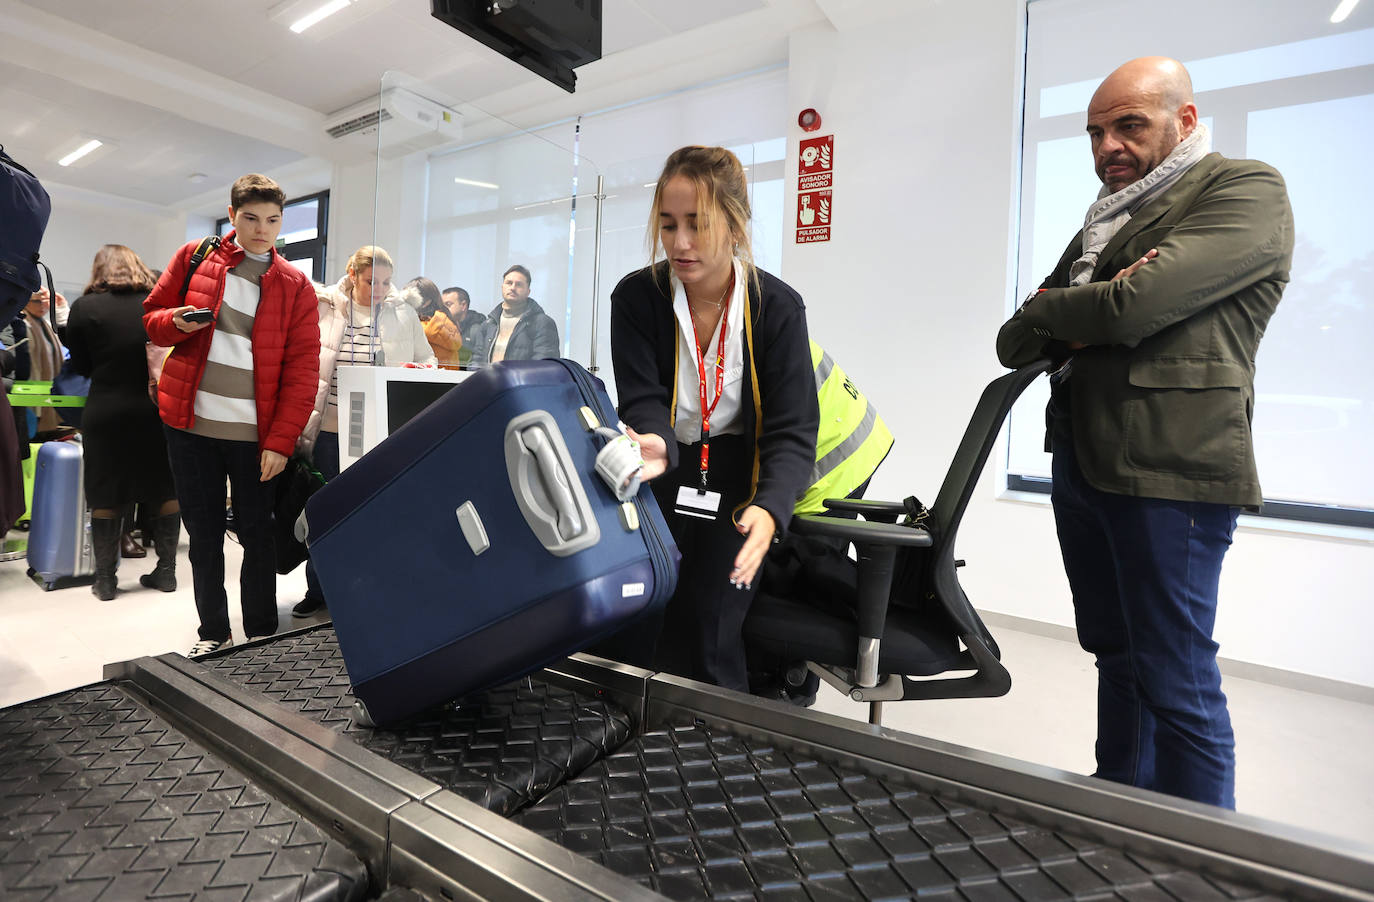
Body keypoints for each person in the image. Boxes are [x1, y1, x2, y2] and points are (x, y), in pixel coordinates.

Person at [995, 57, 1293, 809]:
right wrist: (1085, 305)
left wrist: (1072, 305)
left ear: (1184, 120)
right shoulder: (1105, 222)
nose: (1108, 147)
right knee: (1115, 653)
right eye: (1095, 133)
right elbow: (1014, 339)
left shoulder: (1243, 189)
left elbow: (1134, 308)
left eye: (1129, 125)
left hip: (1172, 468)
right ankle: (1119, 812)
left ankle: (1200, 853)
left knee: (1174, 673)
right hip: (1082, 459)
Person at [609, 145, 819, 692]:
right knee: (636, 604)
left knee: (712, 622)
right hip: (665, 461)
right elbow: (641, 396)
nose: (680, 243)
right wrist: (654, 440)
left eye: (697, 225)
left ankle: (719, 736)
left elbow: (792, 429)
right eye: (668, 224)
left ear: (735, 224)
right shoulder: (636, 297)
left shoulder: (776, 307)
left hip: (738, 473)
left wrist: (770, 508)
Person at [144, 173, 321, 657]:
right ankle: (213, 632)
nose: (263, 230)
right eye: (251, 218)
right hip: (189, 425)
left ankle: (260, 630)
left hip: (254, 434)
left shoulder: (295, 285)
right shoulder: (194, 257)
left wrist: (281, 442)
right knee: (203, 535)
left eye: (273, 220)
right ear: (232, 215)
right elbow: (153, 319)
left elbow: (303, 371)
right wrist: (175, 322)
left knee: (257, 534)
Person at [291, 246, 434, 619]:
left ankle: (368, 589)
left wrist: (416, 370)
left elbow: (428, 358)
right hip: (330, 429)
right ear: (352, 275)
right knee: (325, 511)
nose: (380, 289)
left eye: (386, 282)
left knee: (374, 512)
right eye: (372, 281)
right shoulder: (326, 308)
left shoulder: (402, 312)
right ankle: (319, 589)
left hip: (379, 431)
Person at [66, 245, 181, 599]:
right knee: (164, 487)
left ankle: (105, 581)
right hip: (155, 408)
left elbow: (80, 365)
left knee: (106, 490)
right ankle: (166, 573)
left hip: (106, 409)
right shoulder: (157, 305)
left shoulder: (85, 307)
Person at [470, 265, 559, 364]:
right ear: (502, 287)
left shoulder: (542, 323)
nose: (512, 288)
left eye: (519, 285)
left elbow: (543, 364)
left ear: (528, 291)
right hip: (489, 375)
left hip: (520, 375)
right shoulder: (489, 324)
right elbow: (477, 360)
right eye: (509, 283)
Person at [402, 277, 462, 366]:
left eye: (410, 299)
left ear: (426, 302)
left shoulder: (419, 326)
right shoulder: (447, 321)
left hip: (425, 373)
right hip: (446, 373)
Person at [442, 286, 486, 364]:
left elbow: (479, 361)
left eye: (448, 304)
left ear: (463, 305)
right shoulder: (442, 326)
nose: (443, 309)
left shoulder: (477, 329)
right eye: (442, 306)